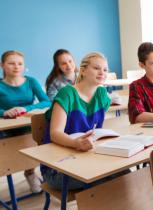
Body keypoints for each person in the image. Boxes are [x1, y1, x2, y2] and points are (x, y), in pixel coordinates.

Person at [41, 52, 125, 190]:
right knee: (107, 179)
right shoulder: (67, 94)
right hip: (57, 167)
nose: (102, 72)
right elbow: (55, 133)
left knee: (125, 173)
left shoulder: (102, 95)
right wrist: (75, 143)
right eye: (96, 68)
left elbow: (96, 132)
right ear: (83, 70)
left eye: (105, 69)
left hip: (85, 159)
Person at [0, 50, 51, 193]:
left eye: (20, 63)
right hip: (5, 129)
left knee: (39, 140)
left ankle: (30, 173)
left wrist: (25, 108)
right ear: (2, 65)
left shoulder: (31, 81)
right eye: (11, 63)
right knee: (6, 153)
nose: (16, 67)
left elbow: (47, 102)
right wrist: (5, 112)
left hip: (28, 126)